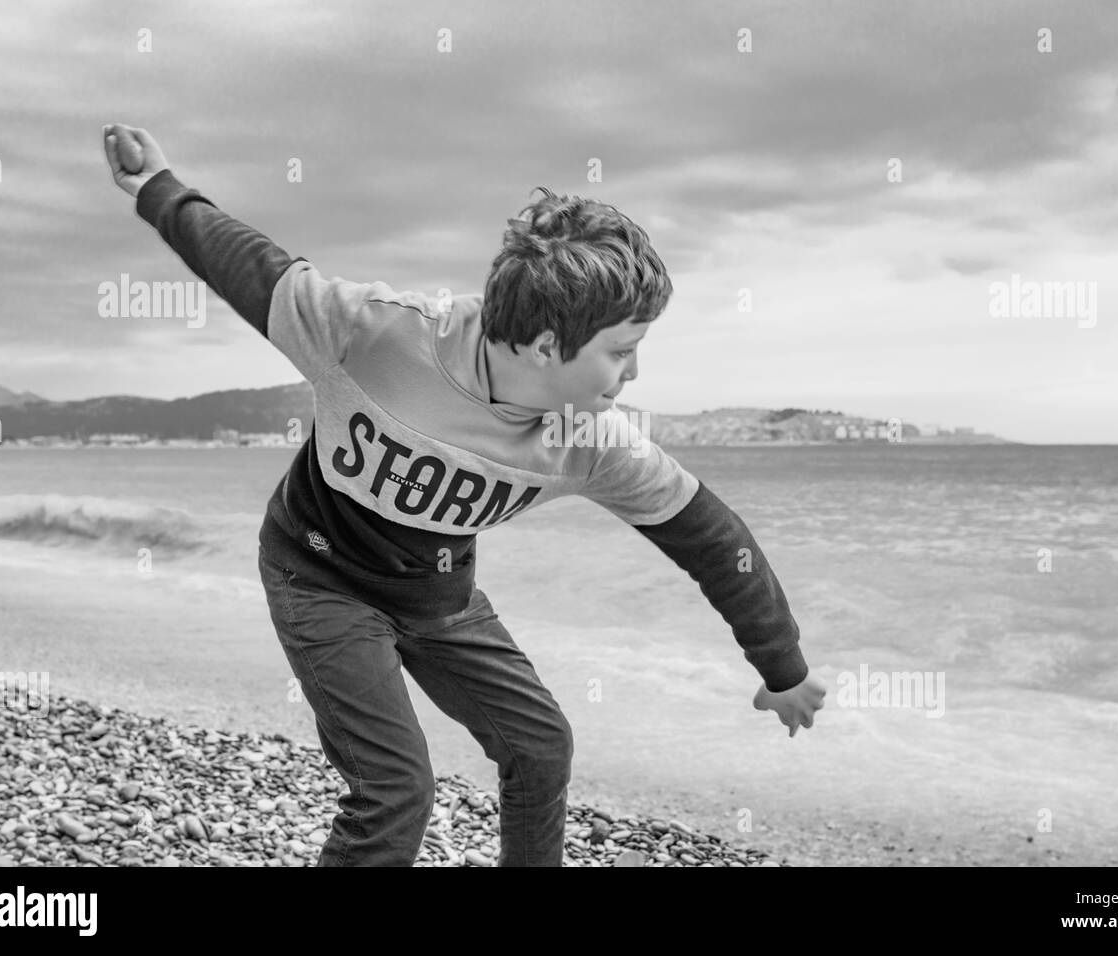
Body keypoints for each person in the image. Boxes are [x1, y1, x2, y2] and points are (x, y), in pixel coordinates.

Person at [101, 123, 827, 867]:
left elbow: (711, 538)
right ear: (548, 345)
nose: (633, 374)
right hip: (317, 576)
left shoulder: (589, 438)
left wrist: (784, 670)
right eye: (622, 350)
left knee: (541, 747)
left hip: (438, 597)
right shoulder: (376, 335)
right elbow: (248, 266)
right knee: (394, 787)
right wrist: (159, 187)